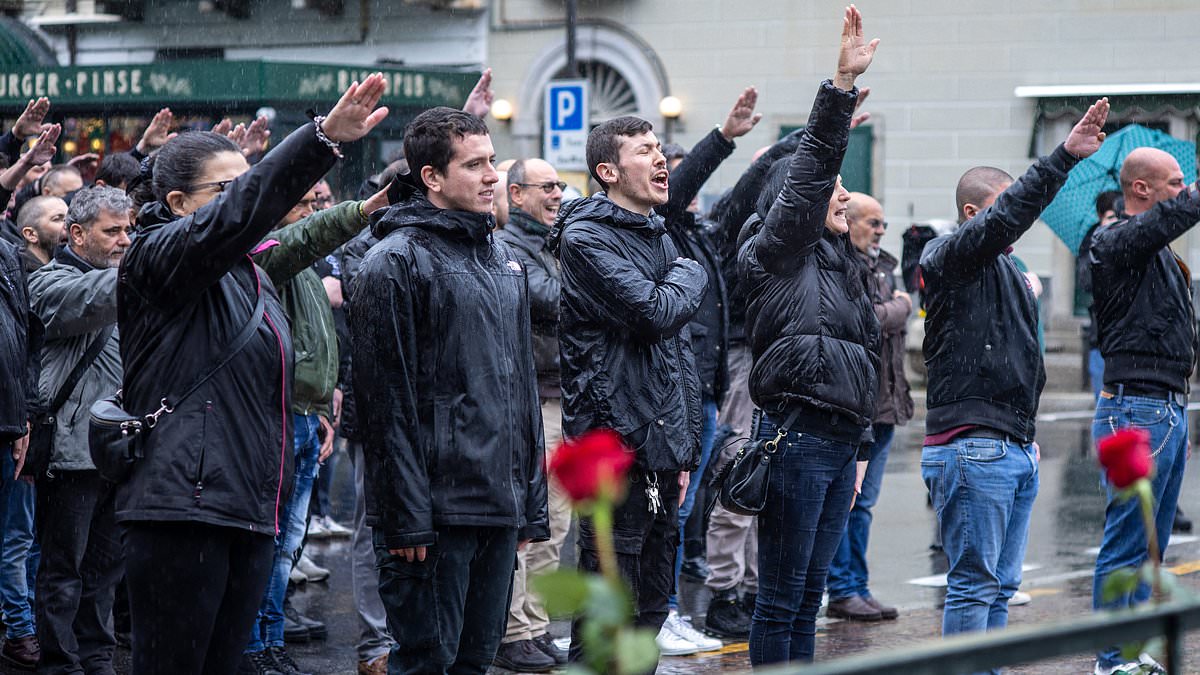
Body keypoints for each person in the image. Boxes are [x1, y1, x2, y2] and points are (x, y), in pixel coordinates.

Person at [115, 74, 388, 675]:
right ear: (179, 203)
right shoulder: (155, 256)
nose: (247, 201)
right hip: (182, 508)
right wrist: (317, 140)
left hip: (246, 505)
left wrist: (369, 205)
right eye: (228, 189)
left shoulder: (252, 273)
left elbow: (286, 235)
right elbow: (241, 215)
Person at [350, 106, 549, 675]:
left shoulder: (503, 258)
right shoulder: (393, 261)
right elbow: (386, 404)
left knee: (476, 663)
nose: (493, 176)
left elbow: (521, 392)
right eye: (475, 165)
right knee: (427, 663)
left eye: (492, 161)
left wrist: (527, 506)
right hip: (435, 515)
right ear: (431, 177)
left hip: (496, 506)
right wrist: (406, 517)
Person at [919, 95, 1109, 664]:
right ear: (974, 214)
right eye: (1003, 210)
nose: (1017, 220)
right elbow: (1011, 213)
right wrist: (1062, 159)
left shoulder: (1013, 269)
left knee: (1000, 588)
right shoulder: (948, 255)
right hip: (972, 444)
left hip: (1013, 444)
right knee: (975, 586)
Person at [736, 7, 879, 665]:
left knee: (811, 594)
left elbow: (867, 359)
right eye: (837, 191)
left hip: (839, 439)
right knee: (784, 595)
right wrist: (839, 93)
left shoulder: (841, 259)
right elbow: (808, 180)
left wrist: (860, 448)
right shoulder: (776, 249)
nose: (844, 200)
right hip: (795, 437)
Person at [552, 109, 708, 666]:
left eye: (658, 147)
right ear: (608, 171)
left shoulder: (657, 233)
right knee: (610, 606)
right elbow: (654, 312)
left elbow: (674, 357)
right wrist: (692, 272)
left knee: (649, 603)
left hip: (660, 451)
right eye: (643, 150)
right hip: (618, 450)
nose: (660, 158)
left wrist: (682, 449)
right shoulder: (587, 238)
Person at [241, 183, 389, 675]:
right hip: (278, 415)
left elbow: (318, 338)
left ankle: (272, 637)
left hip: (307, 413)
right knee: (269, 539)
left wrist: (325, 400)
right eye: (305, 204)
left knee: (287, 545)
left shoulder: (304, 265)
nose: (315, 212)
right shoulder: (270, 255)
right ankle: (254, 644)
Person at [655, 87, 763, 655]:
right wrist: (720, 139)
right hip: (677, 393)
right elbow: (681, 190)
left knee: (683, 508)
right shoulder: (664, 226)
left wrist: (795, 146)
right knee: (662, 512)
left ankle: (669, 609)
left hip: (702, 391)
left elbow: (739, 200)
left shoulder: (700, 233)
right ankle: (662, 612)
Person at [1088, 146, 1200, 675]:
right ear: (1142, 189)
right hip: (1137, 405)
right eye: (1176, 182)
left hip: (1166, 403)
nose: (1182, 190)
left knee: (1151, 546)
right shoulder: (1114, 241)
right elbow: (1170, 218)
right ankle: (1111, 661)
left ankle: (1130, 652)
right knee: (1127, 542)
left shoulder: (1155, 250)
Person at [28, 186, 132, 675]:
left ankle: (97, 661)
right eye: (112, 231)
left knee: (105, 573)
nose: (124, 240)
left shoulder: (124, 278)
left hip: (121, 454)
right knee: (63, 571)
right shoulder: (48, 282)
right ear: (76, 233)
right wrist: (155, 265)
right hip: (71, 455)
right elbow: (87, 303)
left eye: (128, 230)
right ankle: (61, 665)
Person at [491, 158, 571, 673]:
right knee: (529, 526)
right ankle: (512, 630)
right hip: (533, 401)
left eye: (561, 185)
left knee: (556, 526)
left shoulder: (554, 243)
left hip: (564, 398)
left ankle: (535, 626)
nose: (559, 194)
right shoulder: (508, 246)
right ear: (516, 194)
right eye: (548, 186)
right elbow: (548, 300)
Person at [825, 192, 912, 622]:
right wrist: (901, 307)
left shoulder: (881, 267)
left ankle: (855, 584)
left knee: (863, 505)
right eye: (872, 222)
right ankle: (842, 587)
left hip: (883, 405)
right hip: (858, 405)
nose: (880, 231)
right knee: (848, 503)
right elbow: (869, 322)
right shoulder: (843, 265)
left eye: (883, 224)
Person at [1077, 190, 1121, 399]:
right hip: (1101, 336)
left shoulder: (1134, 238)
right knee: (1103, 405)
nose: (1116, 222)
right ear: (1101, 217)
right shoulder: (1092, 241)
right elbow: (1086, 281)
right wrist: (1102, 243)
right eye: (1111, 217)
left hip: (1129, 340)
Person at [17, 196, 68, 269]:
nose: (69, 225)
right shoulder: (17, 275)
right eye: (57, 219)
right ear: (31, 234)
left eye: (69, 219)